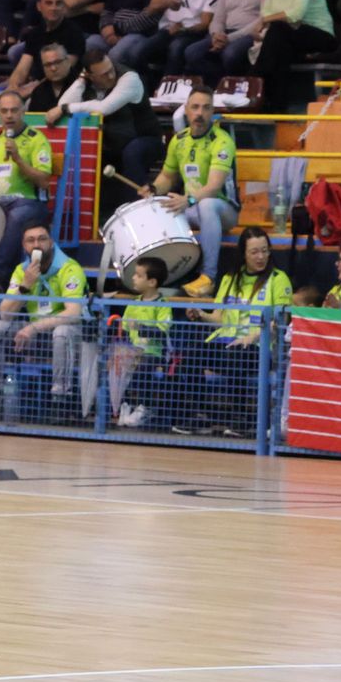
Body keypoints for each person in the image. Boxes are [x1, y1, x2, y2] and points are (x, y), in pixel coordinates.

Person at [175, 225, 290, 435]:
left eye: (264, 250)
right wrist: (202, 315)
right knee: (192, 356)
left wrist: (251, 336)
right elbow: (219, 317)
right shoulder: (230, 279)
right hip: (225, 342)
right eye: (254, 252)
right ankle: (197, 415)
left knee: (236, 358)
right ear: (244, 254)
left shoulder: (278, 279)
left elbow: (280, 321)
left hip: (259, 347)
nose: (260, 257)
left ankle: (241, 419)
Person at [0, 219, 86, 413]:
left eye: (41, 239)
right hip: (35, 336)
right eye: (30, 240)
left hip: (69, 336)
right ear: (24, 245)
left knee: (62, 332)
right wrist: (24, 286)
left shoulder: (69, 268)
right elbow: (5, 314)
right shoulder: (22, 271)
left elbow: (73, 312)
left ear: (51, 242)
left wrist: (33, 328)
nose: (36, 245)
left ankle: (60, 400)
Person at [145, 86, 239, 297]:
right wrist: (153, 189)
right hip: (193, 206)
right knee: (161, 208)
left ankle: (208, 277)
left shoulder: (222, 141)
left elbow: (214, 187)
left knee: (206, 205)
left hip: (224, 209)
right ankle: (164, 276)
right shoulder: (179, 140)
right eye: (195, 107)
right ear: (186, 110)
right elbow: (168, 177)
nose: (199, 113)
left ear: (212, 111)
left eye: (206, 108)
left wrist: (189, 199)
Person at [53, 48, 163, 216]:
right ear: (90, 76)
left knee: (132, 152)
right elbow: (62, 103)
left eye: (111, 69)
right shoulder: (87, 82)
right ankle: (90, 216)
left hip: (146, 139)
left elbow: (103, 108)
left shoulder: (130, 78)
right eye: (103, 74)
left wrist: (66, 108)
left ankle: (134, 213)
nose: (110, 76)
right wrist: (81, 81)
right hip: (112, 143)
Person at [0, 90, 57, 286]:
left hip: (29, 202)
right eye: (4, 111)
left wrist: (18, 159)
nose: (9, 115)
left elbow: (43, 181)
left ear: (23, 112)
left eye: (14, 110)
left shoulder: (36, 139)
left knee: (16, 217)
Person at [255, 0, 337, 111]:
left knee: (278, 31)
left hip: (319, 34)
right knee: (281, 52)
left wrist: (265, 20)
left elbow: (296, 14)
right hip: (288, 36)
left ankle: (258, 76)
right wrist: (267, 19)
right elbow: (267, 11)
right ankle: (277, 107)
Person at [111, 255, 173, 428]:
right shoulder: (134, 303)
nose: (133, 278)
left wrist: (140, 327)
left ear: (152, 282)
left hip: (153, 353)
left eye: (138, 275)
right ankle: (125, 405)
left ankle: (145, 407)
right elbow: (123, 328)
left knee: (143, 368)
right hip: (133, 350)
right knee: (119, 366)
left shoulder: (163, 304)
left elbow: (162, 330)